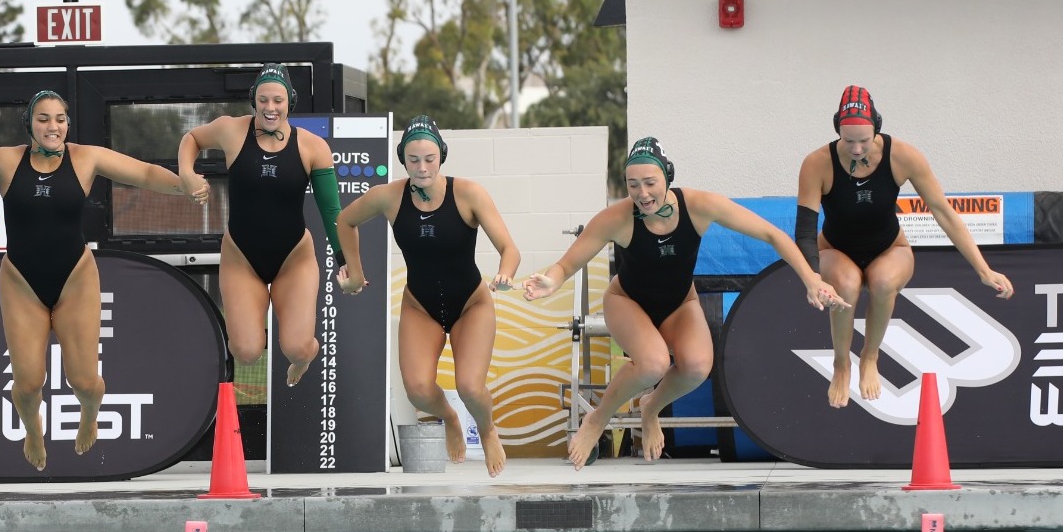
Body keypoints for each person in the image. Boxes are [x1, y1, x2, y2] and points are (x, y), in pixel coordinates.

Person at [0, 90, 185, 470]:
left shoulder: (86, 157)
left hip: (75, 277)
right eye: (44, 118)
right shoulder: (6, 160)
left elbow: (145, 173)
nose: (54, 126)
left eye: (60, 118)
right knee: (28, 384)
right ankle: (34, 431)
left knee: (86, 382)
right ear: (29, 123)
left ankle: (89, 414)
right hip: (21, 281)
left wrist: (185, 185)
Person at [522, 137, 849, 468]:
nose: (643, 194)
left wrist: (811, 279)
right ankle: (597, 419)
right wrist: (551, 280)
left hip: (679, 303)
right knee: (653, 363)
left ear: (668, 177)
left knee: (696, 367)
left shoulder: (698, 206)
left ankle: (650, 408)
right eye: (633, 185)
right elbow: (567, 263)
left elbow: (772, 235)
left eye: (650, 183)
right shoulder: (617, 218)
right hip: (627, 301)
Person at [796, 85, 1014, 407]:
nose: (856, 149)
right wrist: (813, 278)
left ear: (877, 129)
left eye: (864, 141)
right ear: (837, 130)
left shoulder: (903, 157)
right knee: (846, 283)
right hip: (834, 249)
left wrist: (983, 269)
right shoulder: (817, 163)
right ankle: (842, 364)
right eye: (848, 140)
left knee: (883, 282)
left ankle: (870, 357)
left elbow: (943, 212)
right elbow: (804, 231)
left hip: (889, 248)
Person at [336, 117, 520, 476]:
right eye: (414, 159)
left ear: (442, 157)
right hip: (420, 306)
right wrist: (355, 274)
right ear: (403, 159)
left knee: (470, 386)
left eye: (430, 159)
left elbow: (509, 247)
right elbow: (345, 221)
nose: (422, 167)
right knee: (418, 390)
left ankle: (486, 429)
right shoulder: (390, 197)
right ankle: (449, 418)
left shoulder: (468, 193)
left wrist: (506, 272)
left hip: (471, 303)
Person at [177, 64, 343, 387]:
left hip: (293, 258)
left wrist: (345, 261)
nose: (270, 108)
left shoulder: (312, 147)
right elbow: (192, 138)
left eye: (278, 100)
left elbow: (331, 211)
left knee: (296, 347)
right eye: (264, 100)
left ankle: (305, 355)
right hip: (242, 257)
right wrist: (186, 173)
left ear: (290, 102)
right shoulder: (231, 130)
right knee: (246, 350)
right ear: (254, 100)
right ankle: (255, 322)